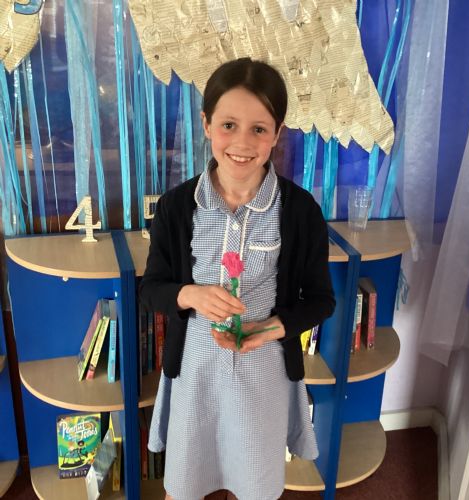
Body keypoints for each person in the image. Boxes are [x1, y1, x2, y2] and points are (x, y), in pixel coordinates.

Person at [139, 57, 335, 500]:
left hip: (263, 373)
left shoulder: (300, 211)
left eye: (259, 129)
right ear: (206, 124)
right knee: (184, 486)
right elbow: (151, 290)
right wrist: (191, 295)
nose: (242, 143)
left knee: (256, 486)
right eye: (228, 125)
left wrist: (273, 328)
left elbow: (321, 300)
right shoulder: (176, 206)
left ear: (277, 133)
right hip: (195, 371)